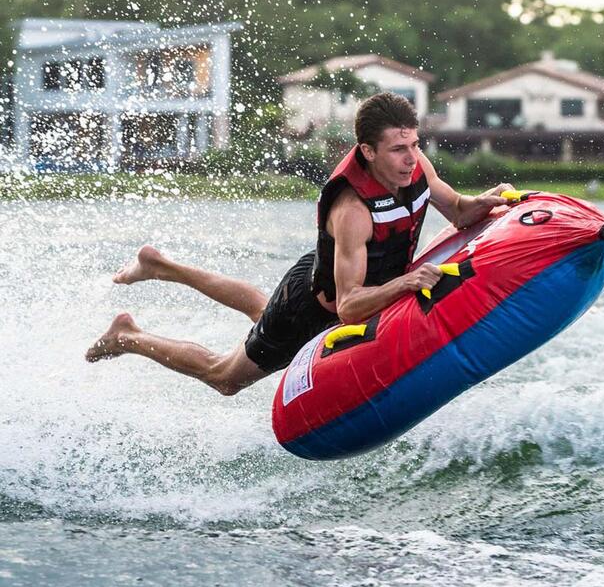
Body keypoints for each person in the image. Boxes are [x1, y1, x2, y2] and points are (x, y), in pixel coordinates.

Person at [85, 92, 513, 395]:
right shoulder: (352, 210)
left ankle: (161, 267)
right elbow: (349, 306)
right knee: (226, 377)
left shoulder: (414, 165)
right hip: (310, 309)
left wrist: (492, 203)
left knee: (258, 308)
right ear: (366, 150)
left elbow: (457, 209)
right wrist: (406, 283)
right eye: (398, 149)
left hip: (326, 276)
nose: (410, 157)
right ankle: (128, 336)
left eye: (414, 145)